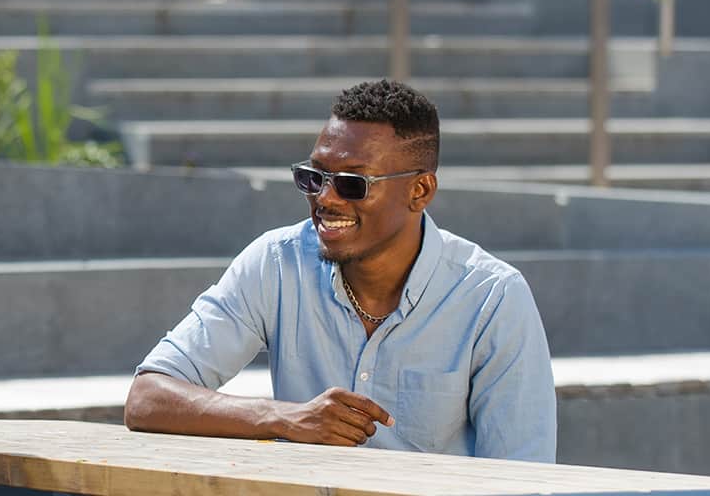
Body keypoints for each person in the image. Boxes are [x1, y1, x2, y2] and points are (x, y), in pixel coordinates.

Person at [124, 79, 557, 462]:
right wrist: (285, 417)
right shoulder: (277, 262)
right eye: (314, 177)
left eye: (354, 183)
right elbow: (147, 398)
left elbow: (522, 475)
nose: (326, 199)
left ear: (419, 191)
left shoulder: (491, 298)